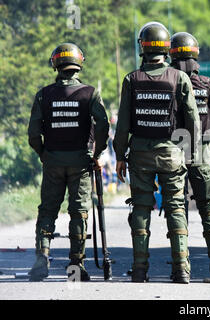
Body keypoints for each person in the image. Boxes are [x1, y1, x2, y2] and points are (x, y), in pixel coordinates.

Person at [113, 22, 200, 283]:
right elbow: (193, 120)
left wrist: (119, 156)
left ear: (142, 47)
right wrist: (191, 153)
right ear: (166, 49)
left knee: (140, 208)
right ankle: (182, 269)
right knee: (175, 208)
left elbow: (123, 124)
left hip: (139, 154)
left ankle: (140, 270)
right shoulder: (179, 78)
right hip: (172, 154)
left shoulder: (131, 79)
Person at [27, 43, 110, 281]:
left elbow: (33, 133)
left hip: (52, 160)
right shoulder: (90, 93)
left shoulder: (44, 95)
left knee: (47, 211)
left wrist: (43, 154)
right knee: (78, 212)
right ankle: (76, 266)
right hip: (81, 163)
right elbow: (103, 125)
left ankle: (42, 258)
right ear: (79, 64)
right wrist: (97, 154)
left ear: (55, 64)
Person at [170, 32, 210, 281]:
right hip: (201, 152)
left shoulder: (167, 82)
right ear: (196, 54)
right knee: (208, 208)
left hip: (173, 152)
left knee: (177, 207)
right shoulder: (208, 84)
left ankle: (181, 266)